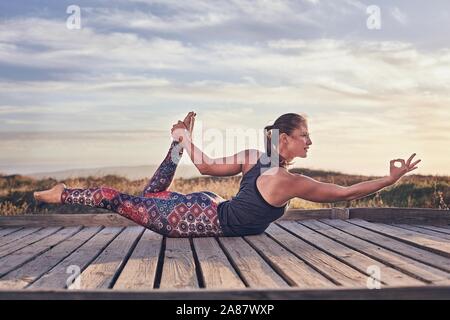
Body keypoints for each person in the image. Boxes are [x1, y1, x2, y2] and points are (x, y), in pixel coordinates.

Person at [33, 111, 421, 237]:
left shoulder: (257, 158)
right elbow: (343, 193)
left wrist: (185, 140)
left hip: (205, 209)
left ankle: (175, 142)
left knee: (151, 194)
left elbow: (202, 167)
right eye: (305, 137)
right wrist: (389, 181)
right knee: (114, 196)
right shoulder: (285, 180)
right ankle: (63, 192)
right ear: (284, 139)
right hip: (198, 216)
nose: (310, 143)